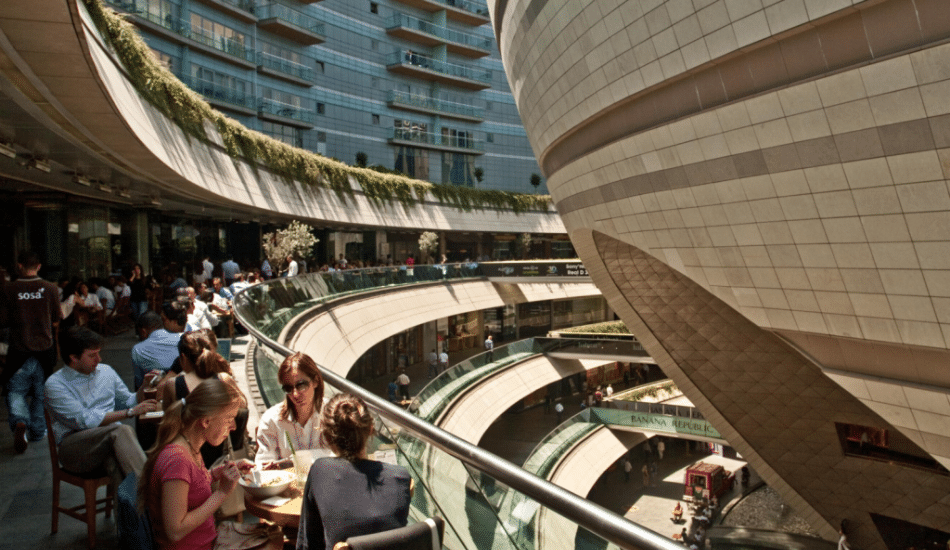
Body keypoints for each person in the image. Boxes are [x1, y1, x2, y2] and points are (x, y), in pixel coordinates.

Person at [140, 375, 267, 550]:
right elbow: (175, 530)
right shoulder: (177, 460)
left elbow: (194, 484)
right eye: (229, 419)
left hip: (207, 540)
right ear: (206, 421)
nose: (234, 428)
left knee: (271, 535)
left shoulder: (189, 446)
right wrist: (221, 493)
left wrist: (221, 472)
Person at [46, 327, 159, 485]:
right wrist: (130, 413)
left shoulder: (106, 371)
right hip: (74, 447)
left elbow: (128, 400)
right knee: (121, 430)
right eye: (92, 355)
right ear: (74, 358)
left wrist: (144, 387)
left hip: (108, 441)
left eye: (98, 353)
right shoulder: (55, 384)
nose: (98, 359)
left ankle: (138, 506)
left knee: (116, 463)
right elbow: (84, 421)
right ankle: (151, 490)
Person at [297, 394, 411, 550]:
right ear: (371, 430)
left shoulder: (320, 470)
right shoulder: (401, 477)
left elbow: (308, 544)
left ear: (327, 437)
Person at [0, 251, 62, 452]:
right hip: (44, 349)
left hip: (19, 349)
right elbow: (56, 317)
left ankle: (19, 420)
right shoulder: (51, 288)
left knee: (15, 390)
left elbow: (3, 320)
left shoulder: (9, 289)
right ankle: (37, 431)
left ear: (19, 266)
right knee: (40, 393)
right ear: (39, 266)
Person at [255, 352, 329, 469]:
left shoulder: (332, 414)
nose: (295, 394)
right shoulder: (271, 419)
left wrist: (293, 461)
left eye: (301, 385)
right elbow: (262, 464)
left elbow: (343, 457)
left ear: (315, 381)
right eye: (288, 388)